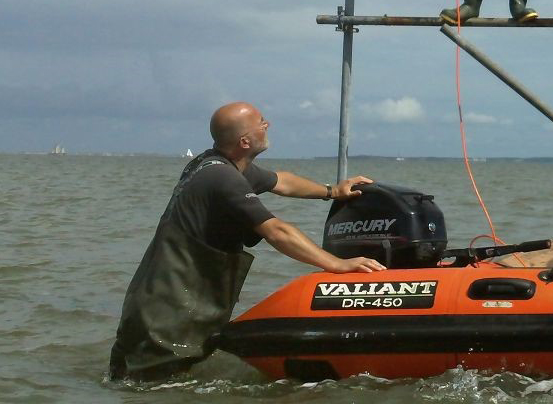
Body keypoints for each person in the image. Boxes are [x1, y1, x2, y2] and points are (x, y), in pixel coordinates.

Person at [109, 102, 384, 382]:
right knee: (155, 389)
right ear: (245, 141)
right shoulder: (222, 178)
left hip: (156, 306)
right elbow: (277, 231)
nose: (268, 125)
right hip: (166, 318)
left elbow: (282, 182)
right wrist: (337, 264)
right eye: (261, 122)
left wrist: (332, 191)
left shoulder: (220, 165)